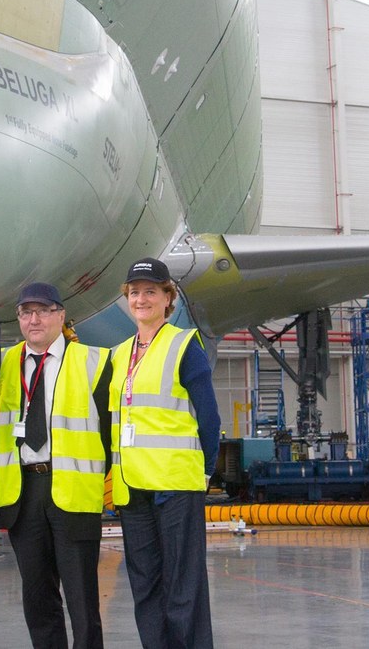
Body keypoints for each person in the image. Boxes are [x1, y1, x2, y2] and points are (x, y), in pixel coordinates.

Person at [0, 283, 112, 649]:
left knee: (82, 598)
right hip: (23, 491)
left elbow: (109, 432)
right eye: (26, 312)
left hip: (72, 491)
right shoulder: (3, 363)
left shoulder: (93, 361)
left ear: (61, 315)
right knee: (38, 597)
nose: (34, 319)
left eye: (43, 311)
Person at [110, 257, 220, 649]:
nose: (141, 299)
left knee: (182, 586)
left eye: (150, 292)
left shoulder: (184, 346)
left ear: (167, 298)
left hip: (175, 485)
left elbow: (209, 417)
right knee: (145, 586)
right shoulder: (119, 353)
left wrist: (205, 471)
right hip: (133, 487)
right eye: (134, 292)